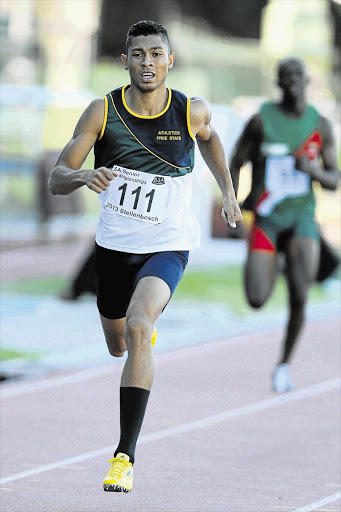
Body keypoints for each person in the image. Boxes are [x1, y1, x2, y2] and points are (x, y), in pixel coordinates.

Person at [48, 20, 242, 493]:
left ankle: (123, 456)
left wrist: (229, 193)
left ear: (170, 61)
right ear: (126, 61)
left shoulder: (191, 112)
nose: (148, 63)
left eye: (157, 54)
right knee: (118, 342)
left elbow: (213, 139)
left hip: (168, 245)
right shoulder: (103, 112)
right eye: (139, 55)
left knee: (139, 326)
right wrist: (82, 178)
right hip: (114, 250)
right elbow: (58, 175)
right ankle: (136, 344)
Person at [229, 57, 340, 394]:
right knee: (257, 298)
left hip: (302, 218)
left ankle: (283, 365)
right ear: (279, 83)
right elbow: (234, 162)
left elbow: (334, 179)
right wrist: (232, 205)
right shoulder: (262, 121)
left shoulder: (319, 124)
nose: (292, 82)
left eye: (297, 76)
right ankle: (274, 260)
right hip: (268, 219)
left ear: (307, 81)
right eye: (285, 77)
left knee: (299, 297)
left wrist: (314, 172)